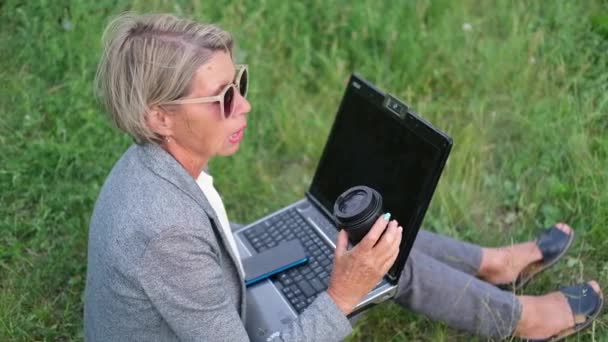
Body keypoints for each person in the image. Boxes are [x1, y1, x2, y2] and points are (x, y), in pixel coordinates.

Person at [84, 13, 603, 342]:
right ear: (160, 117)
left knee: (359, 240)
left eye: (238, 83)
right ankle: (523, 319)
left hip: (226, 281)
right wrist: (341, 295)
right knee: (374, 265)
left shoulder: (155, 167)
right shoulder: (162, 230)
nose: (244, 104)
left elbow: (206, 250)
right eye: (222, 98)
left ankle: (490, 265)